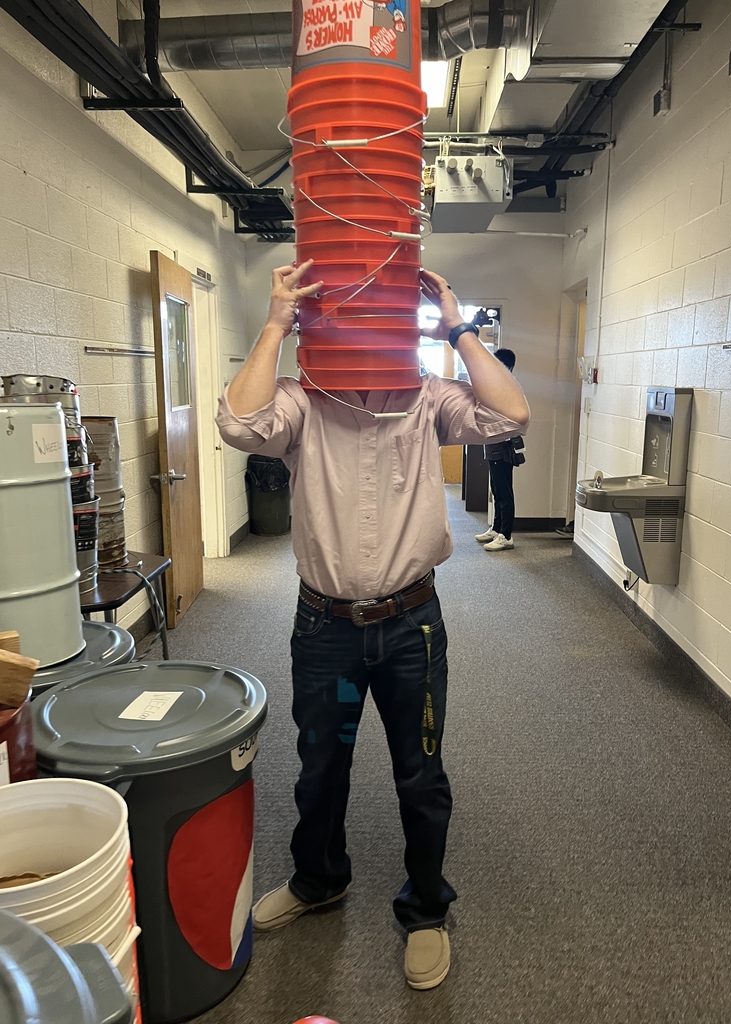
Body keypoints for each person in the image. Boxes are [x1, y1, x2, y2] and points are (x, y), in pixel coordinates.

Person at [216, 261, 530, 991]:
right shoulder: (301, 401)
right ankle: (318, 879)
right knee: (321, 766)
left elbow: (511, 415)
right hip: (324, 627)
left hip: (411, 626)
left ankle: (425, 910)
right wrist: (276, 323)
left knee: (420, 773)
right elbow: (239, 423)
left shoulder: (427, 398)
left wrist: (457, 327)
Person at [475, 349, 525, 552]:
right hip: (492, 444)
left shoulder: (509, 388)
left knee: (504, 492)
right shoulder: (496, 386)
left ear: (506, 366)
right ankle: (496, 529)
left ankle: (506, 535)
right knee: (496, 490)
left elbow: (513, 418)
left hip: (503, 446)